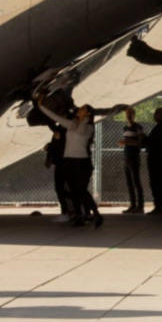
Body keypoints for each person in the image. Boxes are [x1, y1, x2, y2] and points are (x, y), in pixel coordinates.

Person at [37, 95, 104, 228]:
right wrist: (41, 106)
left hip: (81, 163)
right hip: (69, 162)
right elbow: (56, 118)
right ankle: (79, 216)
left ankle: (96, 213)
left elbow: (79, 131)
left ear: (88, 114)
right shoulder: (73, 124)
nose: (79, 109)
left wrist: (82, 120)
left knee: (81, 190)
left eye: (83, 109)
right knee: (74, 191)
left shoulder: (88, 127)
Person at [146, 107, 162, 214]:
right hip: (158, 157)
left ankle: (160, 205)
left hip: (156, 158)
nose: (154, 116)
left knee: (156, 182)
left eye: (156, 114)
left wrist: (144, 139)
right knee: (159, 182)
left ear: (161, 115)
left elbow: (154, 143)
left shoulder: (161, 128)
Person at [120, 107, 145, 214]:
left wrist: (127, 142)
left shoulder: (137, 127)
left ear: (134, 114)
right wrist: (124, 144)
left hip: (134, 157)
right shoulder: (125, 128)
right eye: (127, 113)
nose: (129, 115)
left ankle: (140, 206)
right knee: (129, 182)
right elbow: (125, 142)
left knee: (136, 182)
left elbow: (140, 143)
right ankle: (132, 205)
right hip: (126, 157)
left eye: (131, 113)